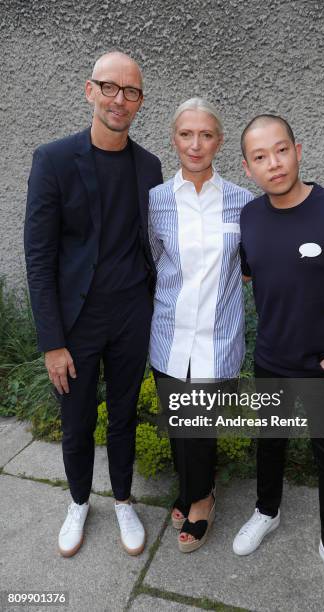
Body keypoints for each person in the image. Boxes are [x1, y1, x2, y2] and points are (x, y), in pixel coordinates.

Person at [234, 114, 324, 609]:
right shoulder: (250, 218)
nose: (273, 164)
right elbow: (257, 276)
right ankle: (267, 510)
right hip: (271, 359)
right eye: (260, 157)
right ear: (248, 167)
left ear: (298, 150)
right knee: (269, 443)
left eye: (280, 150)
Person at [24, 51, 163, 558]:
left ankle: (123, 498)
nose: (119, 99)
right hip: (76, 322)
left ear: (140, 102)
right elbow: (38, 258)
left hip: (131, 316)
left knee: (123, 413)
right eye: (109, 87)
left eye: (130, 92)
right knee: (78, 419)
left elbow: (152, 242)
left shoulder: (149, 166)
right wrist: (52, 342)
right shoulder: (53, 160)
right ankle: (80, 501)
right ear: (89, 90)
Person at [148, 98, 253, 552]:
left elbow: (250, 265)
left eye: (206, 135)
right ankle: (189, 487)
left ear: (220, 142)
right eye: (186, 134)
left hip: (218, 337)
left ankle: (202, 500)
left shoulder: (242, 202)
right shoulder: (155, 201)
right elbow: (154, 262)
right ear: (174, 139)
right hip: (169, 335)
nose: (196, 144)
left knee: (200, 427)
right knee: (178, 423)